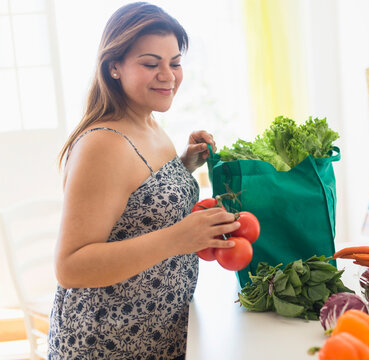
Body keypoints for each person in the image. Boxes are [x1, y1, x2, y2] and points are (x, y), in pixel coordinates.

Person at [48, 2, 238, 359]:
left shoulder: (148, 122)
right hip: (110, 343)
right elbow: (70, 266)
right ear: (114, 66)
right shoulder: (102, 144)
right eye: (151, 64)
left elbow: (136, 203)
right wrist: (179, 238)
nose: (167, 75)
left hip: (160, 331)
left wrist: (184, 165)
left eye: (175, 63)